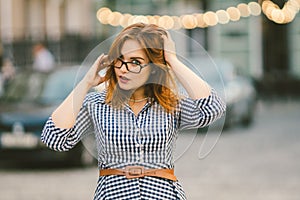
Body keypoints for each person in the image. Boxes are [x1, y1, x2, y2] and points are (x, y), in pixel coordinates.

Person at [41, 23, 226, 200]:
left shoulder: (170, 105)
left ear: (153, 69)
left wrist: (172, 60)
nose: (123, 69)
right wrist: (86, 83)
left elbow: (213, 108)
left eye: (135, 62)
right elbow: (54, 139)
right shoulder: (97, 104)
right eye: (119, 60)